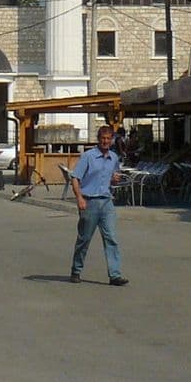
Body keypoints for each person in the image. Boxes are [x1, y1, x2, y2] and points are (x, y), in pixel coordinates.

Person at [69, 122, 128, 286]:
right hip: (89, 201)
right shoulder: (88, 156)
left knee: (111, 238)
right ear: (98, 139)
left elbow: (112, 177)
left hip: (106, 201)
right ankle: (76, 270)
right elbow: (75, 178)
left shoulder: (114, 157)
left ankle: (115, 274)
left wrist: (114, 179)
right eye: (103, 138)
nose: (105, 142)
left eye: (108, 139)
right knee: (84, 239)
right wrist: (79, 198)